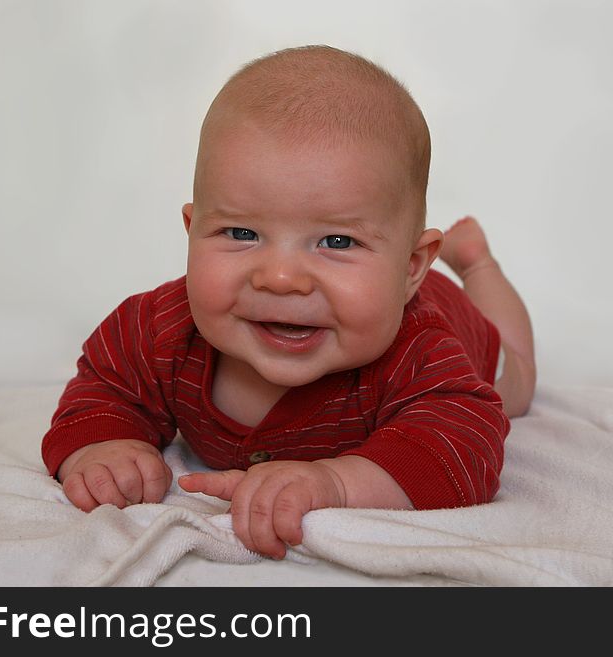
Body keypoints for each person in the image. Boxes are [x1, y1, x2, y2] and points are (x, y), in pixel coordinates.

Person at [41, 45, 536, 559]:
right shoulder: (158, 330)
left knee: (518, 384)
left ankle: (477, 264)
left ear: (411, 267)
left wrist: (336, 484)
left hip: (457, 321)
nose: (280, 278)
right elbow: (107, 383)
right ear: (193, 232)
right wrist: (103, 444)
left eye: (337, 242)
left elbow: (463, 451)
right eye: (241, 232)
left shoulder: (422, 354)